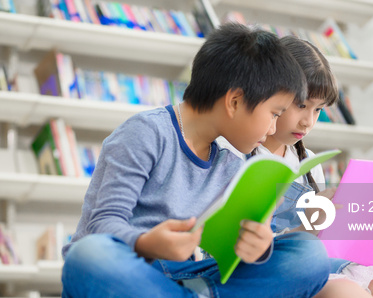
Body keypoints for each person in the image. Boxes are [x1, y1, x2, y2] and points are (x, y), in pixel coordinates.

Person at [61, 23, 330, 298]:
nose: (273, 129)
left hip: (192, 278)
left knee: (308, 254)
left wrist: (258, 249)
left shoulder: (233, 162)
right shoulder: (146, 132)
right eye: (274, 113)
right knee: (88, 255)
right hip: (135, 271)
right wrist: (146, 243)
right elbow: (102, 224)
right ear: (235, 101)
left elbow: (224, 254)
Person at [252, 35, 373, 298]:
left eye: (318, 110)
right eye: (302, 106)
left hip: (322, 259)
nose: (308, 122)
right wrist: (306, 227)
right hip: (280, 265)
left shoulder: (308, 162)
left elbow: (327, 238)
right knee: (348, 294)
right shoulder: (242, 156)